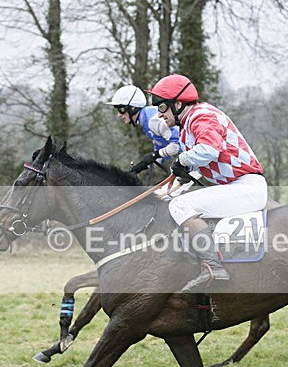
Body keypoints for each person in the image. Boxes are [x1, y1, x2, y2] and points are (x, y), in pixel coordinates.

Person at [147, 74, 267, 292]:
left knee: (180, 206)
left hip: (246, 187)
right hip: (234, 187)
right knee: (174, 202)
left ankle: (213, 266)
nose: (159, 114)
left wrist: (182, 160)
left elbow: (209, 150)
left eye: (162, 107)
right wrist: (161, 193)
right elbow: (193, 173)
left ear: (178, 103)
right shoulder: (186, 130)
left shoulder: (201, 115)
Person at [106, 84, 180, 171]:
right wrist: (139, 168)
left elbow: (178, 145)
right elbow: (162, 153)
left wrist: (156, 155)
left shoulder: (153, 121)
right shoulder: (145, 119)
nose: (119, 115)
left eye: (121, 110)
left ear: (132, 107)